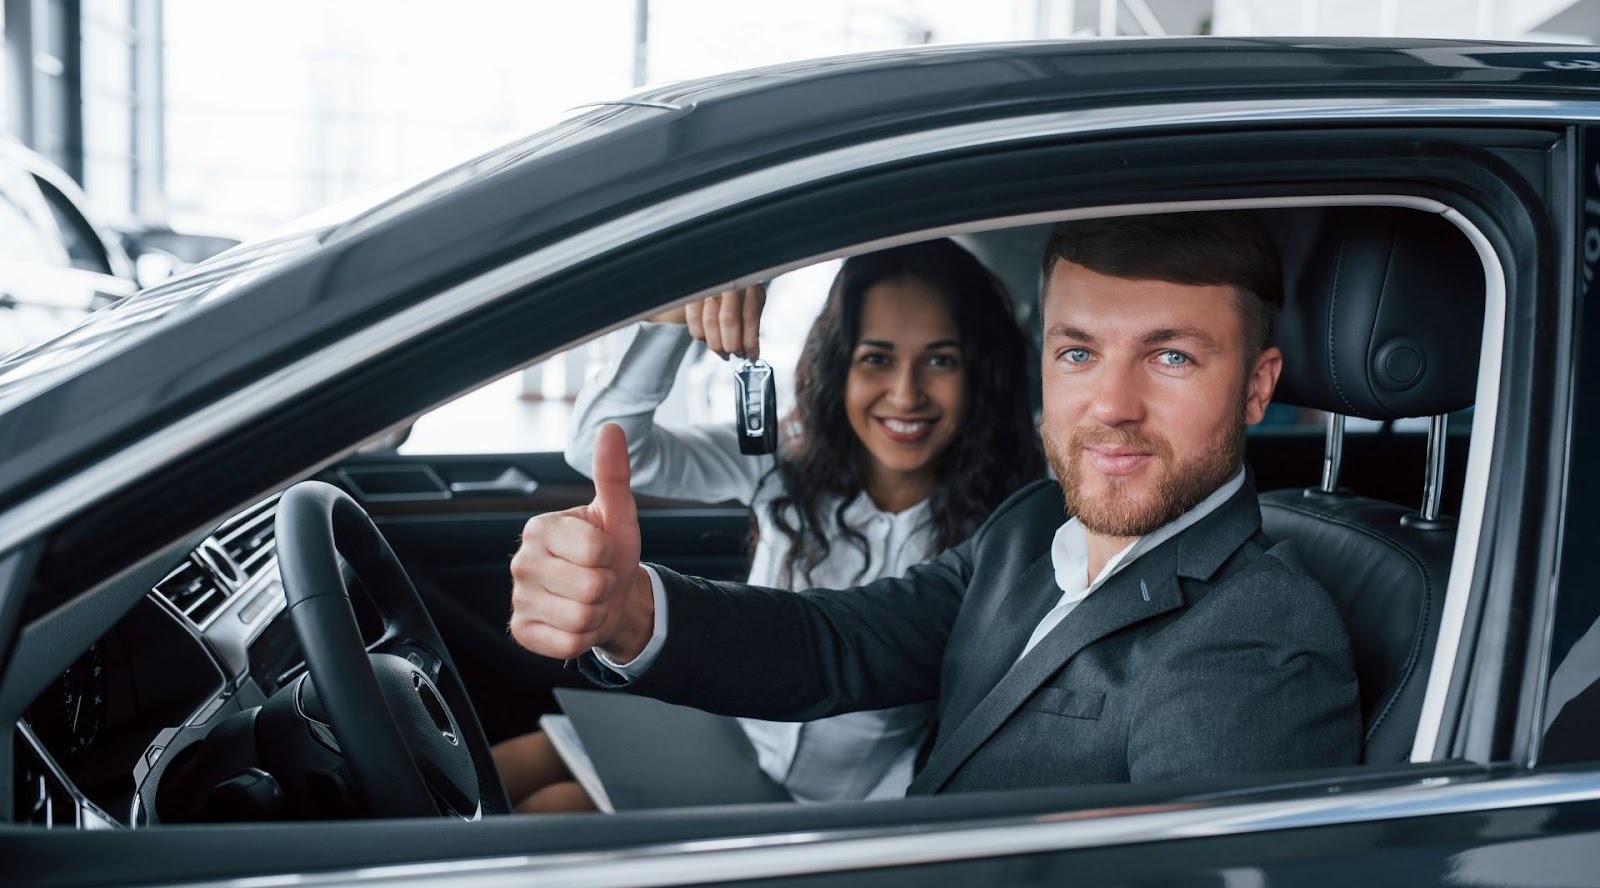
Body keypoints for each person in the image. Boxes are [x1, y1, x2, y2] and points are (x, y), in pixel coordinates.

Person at [508, 211, 1363, 796]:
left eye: (1170, 357)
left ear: (1257, 388)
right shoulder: (1033, 528)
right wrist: (632, 612)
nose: (1111, 404)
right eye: (1077, 353)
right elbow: (835, 643)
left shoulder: (1256, 645)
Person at [494, 239, 1045, 811]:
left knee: (551, 812)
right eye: (876, 358)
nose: (905, 395)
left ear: (981, 373)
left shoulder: (1012, 522)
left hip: (835, 803)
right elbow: (598, 446)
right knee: (508, 766)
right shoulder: (788, 458)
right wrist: (672, 314)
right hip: (723, 731)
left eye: (940, 360)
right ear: (839, 362)